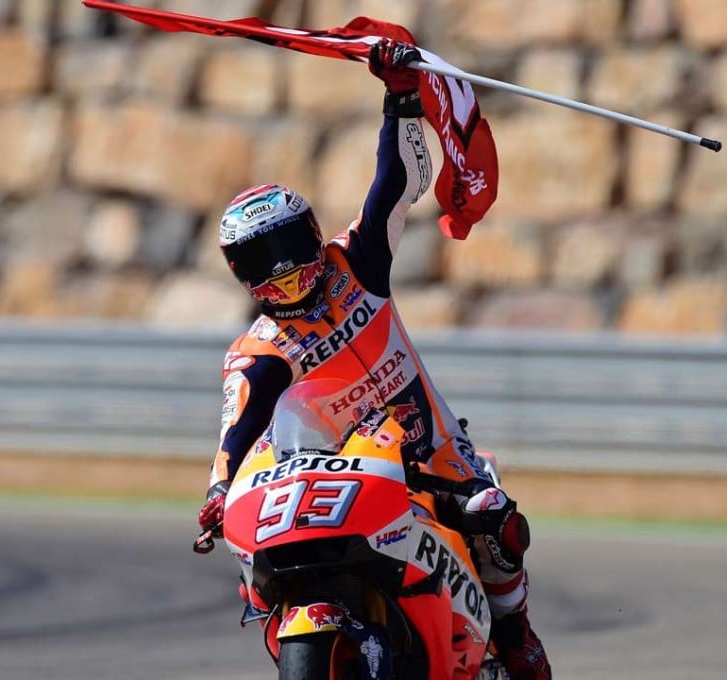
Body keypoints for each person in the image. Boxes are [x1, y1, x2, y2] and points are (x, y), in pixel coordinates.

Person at [197, 38, 552, 680]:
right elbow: (239, 426)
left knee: (497, 523)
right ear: (241, 278)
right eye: (264, 269)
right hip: (331, 473)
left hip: (429, 450)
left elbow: (396, 183)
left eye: (292, 254)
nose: (287, 276)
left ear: (312, 236)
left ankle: (515, 636)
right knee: (254, 563)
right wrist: (220, 490)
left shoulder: (356, 263)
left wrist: (399, 98)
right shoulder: (258, 352)